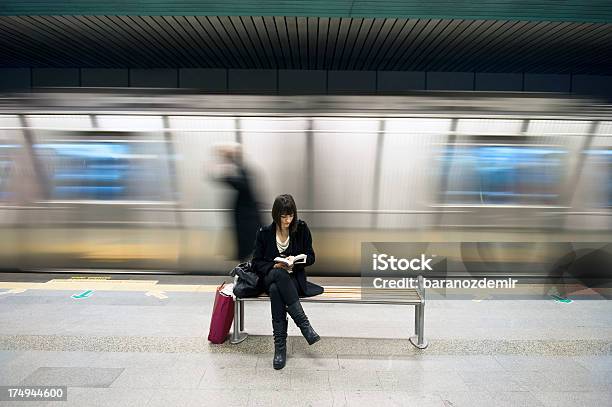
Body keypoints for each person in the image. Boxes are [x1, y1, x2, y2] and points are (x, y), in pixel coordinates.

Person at [251, 194, 324, 369]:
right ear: (276, 215)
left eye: (290, 216)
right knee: (278, 276)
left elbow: (311, 256)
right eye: (283, 216)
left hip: (294, 280)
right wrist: (274, 266)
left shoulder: (301, 229)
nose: (287, 220)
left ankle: (280, 350)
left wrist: (299, 259)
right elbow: (256, 262)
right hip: (271, 276)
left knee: (277, 290)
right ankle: (305, 327)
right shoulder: (265, 233)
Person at [212, 143, 263, 261]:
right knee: (246, 243)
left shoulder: (242, 170)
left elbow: (243, 185)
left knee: (249, 243)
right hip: (245, 215)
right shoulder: (240, 169)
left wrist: (223, 176)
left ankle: (246, 266)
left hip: (247, 216)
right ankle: (243, 262)